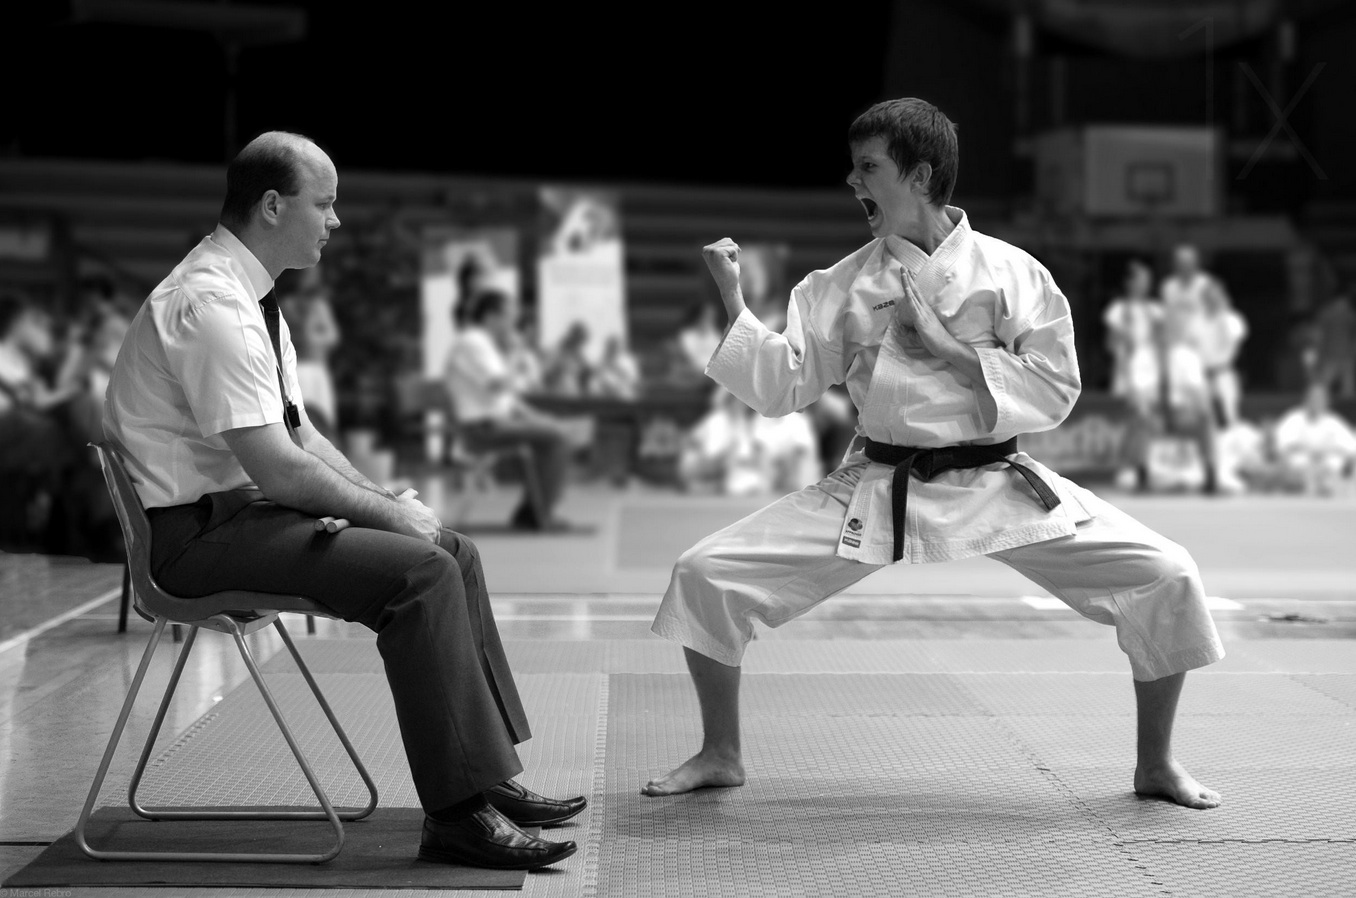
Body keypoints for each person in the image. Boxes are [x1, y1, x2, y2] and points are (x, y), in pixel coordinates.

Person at [644, 99, 1224, 811]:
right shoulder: (843, 284)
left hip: (997, 481)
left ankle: (1156, 764)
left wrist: (952, 349)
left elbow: (1055, 388)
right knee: (706, 572)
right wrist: (733, 298)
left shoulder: (1012, 272)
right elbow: (783, 384)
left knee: (1166, 574)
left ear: (919, 177)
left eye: (868, 168)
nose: (852, 181)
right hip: (881, 482)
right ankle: (720, 753)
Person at [103, 132, 583, 870]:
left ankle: (484, 776)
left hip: (239, 514)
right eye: (323, 204)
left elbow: (300, 435)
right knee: (420, 573)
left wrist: (377, 501)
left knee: (450, 550)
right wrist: (381, 515)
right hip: (191, 541)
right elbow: (279, 469)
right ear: (272, 206)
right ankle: (457, 816)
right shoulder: (209, 303)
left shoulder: (251, 296)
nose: (334, 220)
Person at [444, 288, 573, 530]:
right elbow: (499, 384)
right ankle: (539, 514)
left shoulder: (483, 344)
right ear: (490, 316)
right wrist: (515, 353)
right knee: (559, 438)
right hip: (481, 428)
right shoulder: (472, 342)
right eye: (509, 316)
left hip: (492, 423)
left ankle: (533, 511)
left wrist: (538, 417)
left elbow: (506, 398)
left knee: (555, 434)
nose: (513, 323)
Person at [1273, 381, 1356, 495]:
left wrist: (1325, 451)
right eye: (1313, 398)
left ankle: (1328, 487)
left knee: (1335, 461)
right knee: (1296, 460)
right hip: (1300, 471)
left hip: (1328, 471)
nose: (1316, 401)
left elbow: (1351, 449)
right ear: (1306, 399)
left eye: (1320, 398)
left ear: (1327, 401)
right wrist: (1309, 450)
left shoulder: (1334, 423)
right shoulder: (1293, 419)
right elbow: (1281, 447)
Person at [1194, 280, 1248, 428]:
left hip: (1223, 373)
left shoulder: (1233, 320)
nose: (1212, 301)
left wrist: (1222, 314)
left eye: (1215, 297)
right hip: (1201, 376)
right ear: (1203, 299)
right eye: (1208, 297)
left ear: (1222, 297)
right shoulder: (1196, 321)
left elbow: (1228, 342)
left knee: (1229, 418)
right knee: (1204, 421)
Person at [1312, 292, 1356, 400]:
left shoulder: (1348, 314)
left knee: (1346, 389)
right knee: (1325, 386)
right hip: (1333, 356)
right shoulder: (1344, 314)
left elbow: (1319, 335)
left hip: (1342, 356)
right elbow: (1319, 335)